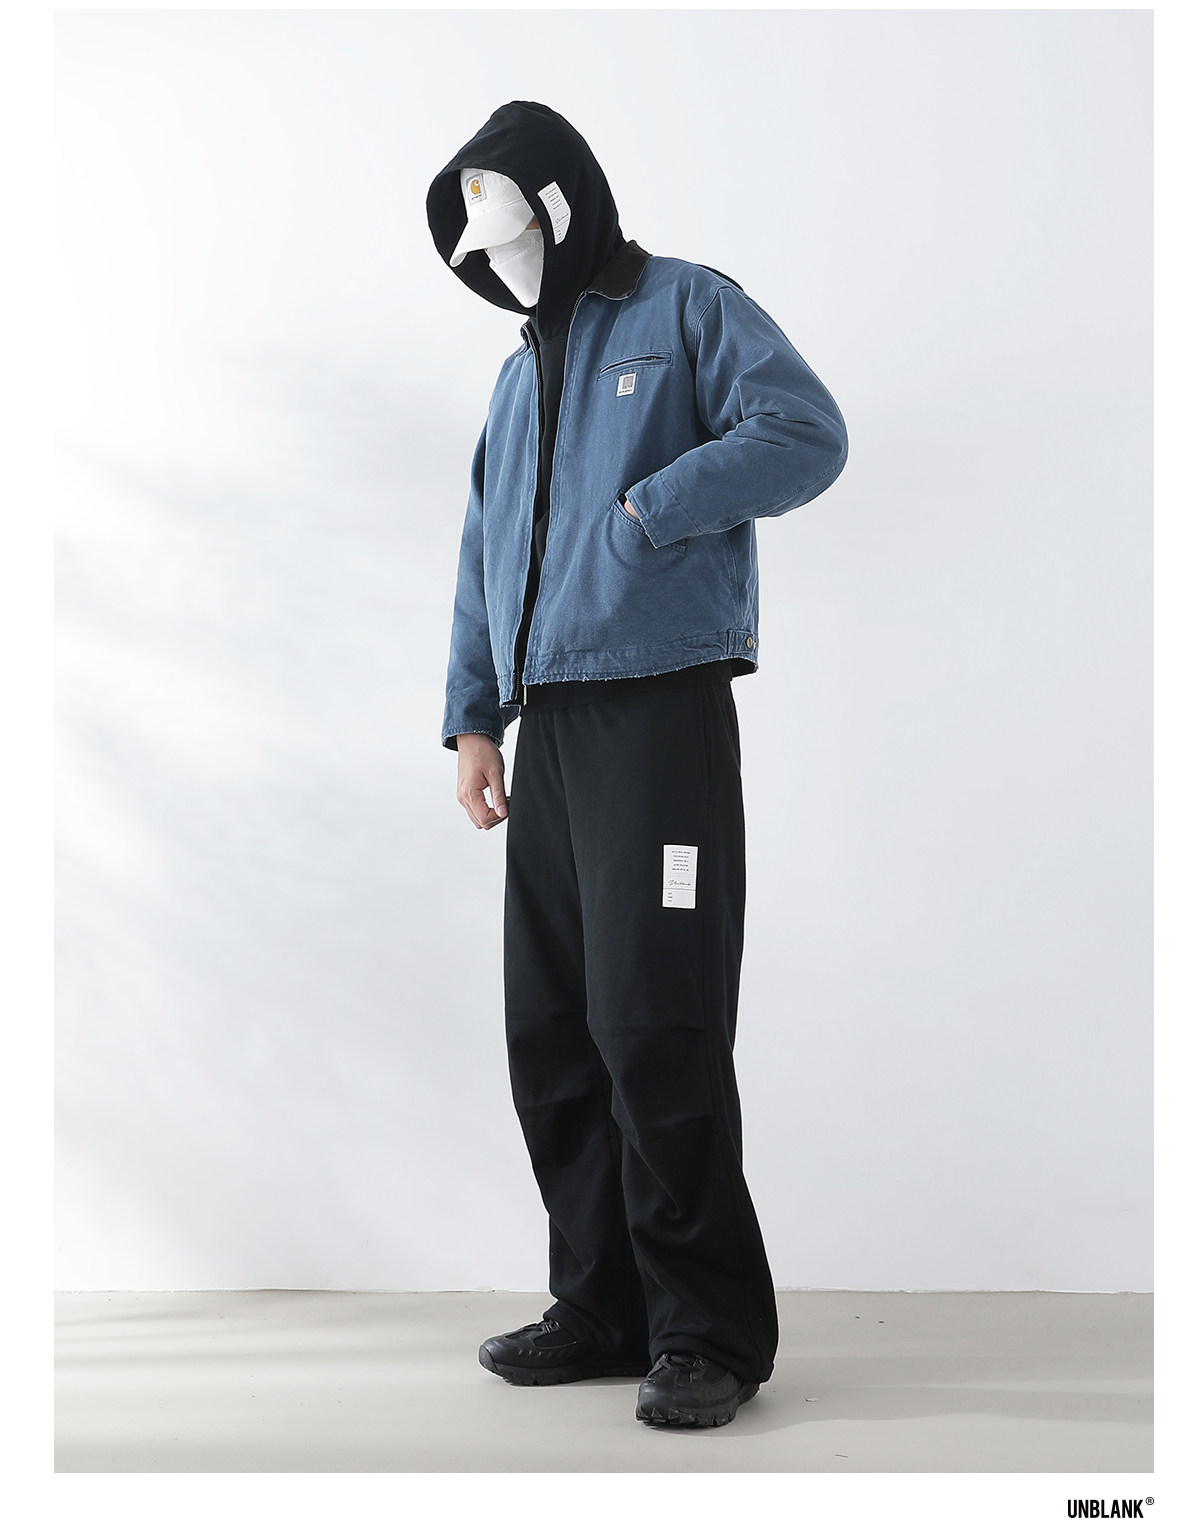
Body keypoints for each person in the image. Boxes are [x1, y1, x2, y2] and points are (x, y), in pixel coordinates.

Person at [426, 100, 847, 1429]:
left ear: (564, 206)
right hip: (550, 731)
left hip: (660, 714)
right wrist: (475, 717)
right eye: (478, 246)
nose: (499, 259)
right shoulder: (515, 379)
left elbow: (805, 433)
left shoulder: (686, 307)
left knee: (654, 1020)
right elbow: (482, 551)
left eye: (512, 227)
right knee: (553, 1029)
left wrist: (650, 509)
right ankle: (603, 1305)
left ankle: (707, 1330)